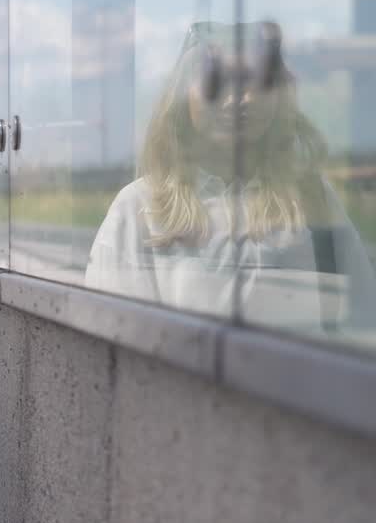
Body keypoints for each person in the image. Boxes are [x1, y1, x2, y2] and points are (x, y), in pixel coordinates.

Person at [86, 20, 376, 333]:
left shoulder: (311, 197)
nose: (241, 98)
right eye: (218, 81)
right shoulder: (138, 207)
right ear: (182, 97)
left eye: (257, 81)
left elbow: (362, 319)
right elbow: (117, 345)